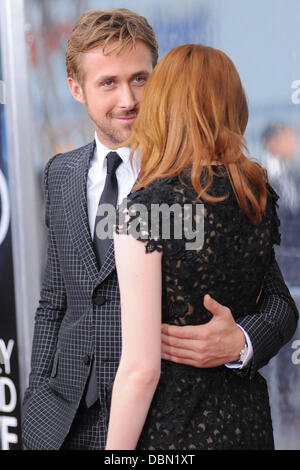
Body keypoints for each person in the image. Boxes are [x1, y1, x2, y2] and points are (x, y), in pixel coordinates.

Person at [21, 9, 298, 450]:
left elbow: (279, 304)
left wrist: (240, 342)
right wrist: (35, 403)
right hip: (62, 422)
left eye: (140, 78)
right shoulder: (60, 174)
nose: (128, 99)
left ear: (161, 78)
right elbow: (55, 303)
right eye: (108, 82)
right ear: (77, 89)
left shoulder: (204, 183)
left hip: (162, 426)